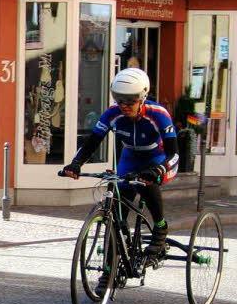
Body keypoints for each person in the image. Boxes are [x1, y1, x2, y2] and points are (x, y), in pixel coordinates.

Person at [62, 67, 179, 291]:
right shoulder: (113, 113)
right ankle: (111, 267)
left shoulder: (158, 114)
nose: (124, 105)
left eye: (130, 101)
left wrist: (159, 169)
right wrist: (76, 164)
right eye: (119, 99)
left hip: (159, 158)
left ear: (142, 97)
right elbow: (92, 141)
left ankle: (161, 228)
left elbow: (174, 153)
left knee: (147, 183)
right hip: (130, 158)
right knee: (116, 207)